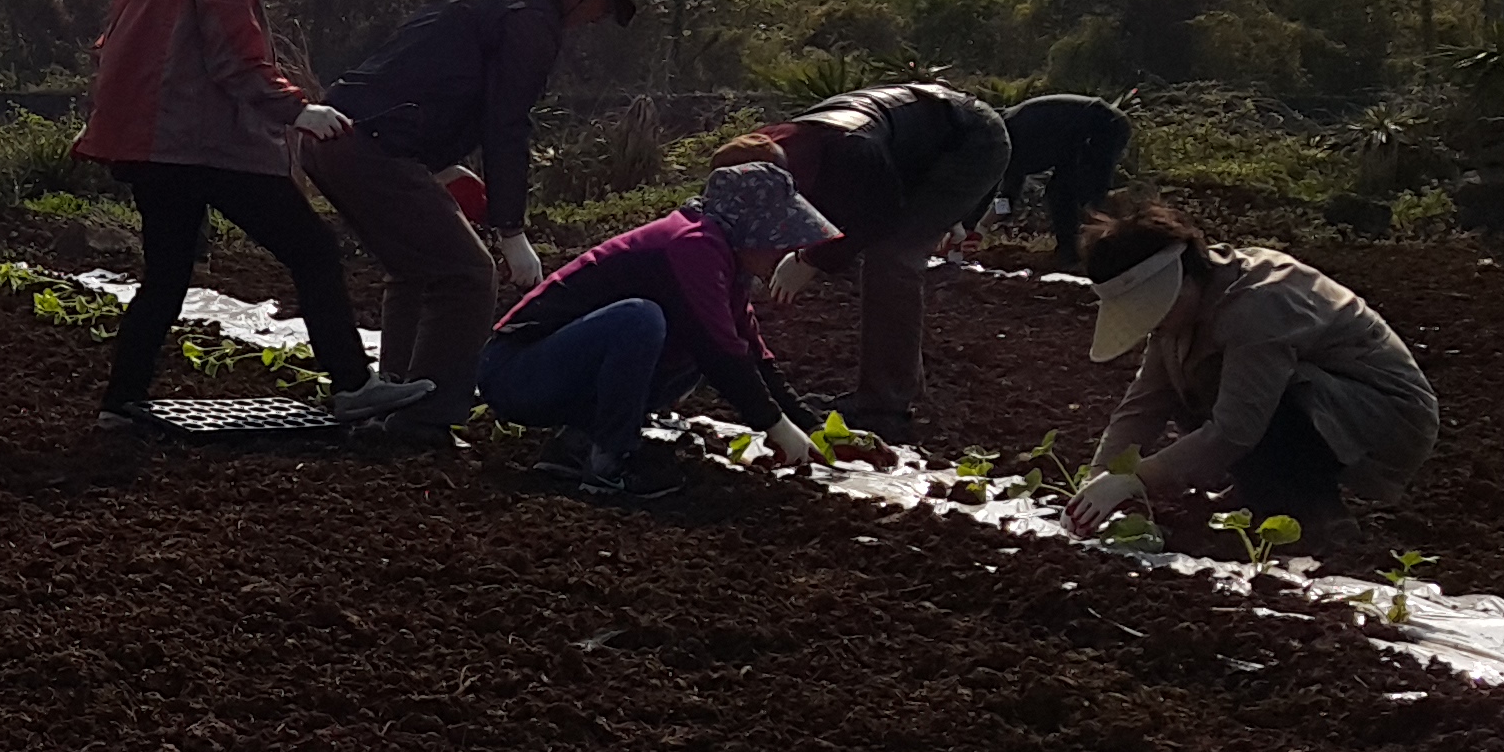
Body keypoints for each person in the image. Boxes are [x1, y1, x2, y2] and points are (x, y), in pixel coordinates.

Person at [73, 0, 382, 420]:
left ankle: (122, 400)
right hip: (203, 142)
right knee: (314, 251)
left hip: (148, 142)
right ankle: (351, 386)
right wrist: (297, 110)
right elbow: (235, 58)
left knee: (166, 275)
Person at [304, 0, 647, 425]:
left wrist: (440, 163)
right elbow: (505, 124)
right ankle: (426, 419)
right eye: (606, 5)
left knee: (416, 268)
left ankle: (394, 397)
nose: (598, 19)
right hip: (373, 146)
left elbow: (426, 70)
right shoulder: (533, 22)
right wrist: (512, 231)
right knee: (468, 274)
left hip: (333, 132)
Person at [1065, 213, 1435, 551]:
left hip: (1382, 414)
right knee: (1191, 379)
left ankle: (1319, 513)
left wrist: (1138, 479)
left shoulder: (1259, 305)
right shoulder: (1183, 316)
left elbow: (1237, 428)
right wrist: (1101, 478)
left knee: (1249, 394)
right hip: (1325, 402)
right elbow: (1145, 404)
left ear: (1184, 278)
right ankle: (1257, 492)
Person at [476, 159, 838, 498]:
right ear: (751, 228)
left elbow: (749, 351)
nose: (785, 249)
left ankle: (576, 446)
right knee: (641, 320)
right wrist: (774, 425)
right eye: (778, 237)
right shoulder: (693, 244)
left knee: (688, 346)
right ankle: (611, 462)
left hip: (550, 372)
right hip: (514, 372)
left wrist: (810, 428)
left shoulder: (727, 263)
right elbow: (720, 353)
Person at [743, 79, 1008, 439]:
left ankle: (885, 406)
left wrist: (809, 259)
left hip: (971, 143)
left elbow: (876, 217)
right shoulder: (777, 147)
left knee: (892, 257)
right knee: (881, 251)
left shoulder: (852, 151)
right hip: (921, 145)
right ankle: (902, 384)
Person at [996, 92, 1134, 265]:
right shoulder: (1006, 138)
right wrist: (986, 223)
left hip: (1103, 127)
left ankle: (1113, 248)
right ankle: (1075, 250)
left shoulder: (1010, 141)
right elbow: (1006, 194)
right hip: (1077, 138)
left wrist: (982, 224)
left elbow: (1006, 194)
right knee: (1062, 191)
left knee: (1076, 195)